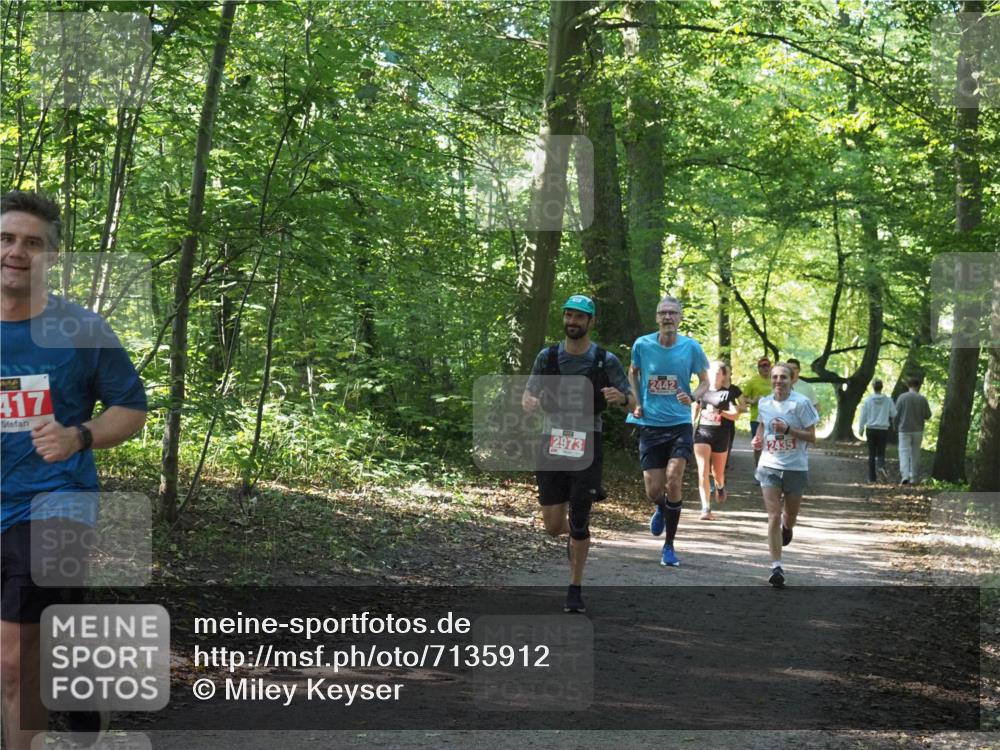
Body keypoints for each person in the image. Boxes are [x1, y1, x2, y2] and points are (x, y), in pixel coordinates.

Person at [1, 191, 148, 750]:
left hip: (56, 499)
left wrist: (78, 435)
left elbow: (130, 407)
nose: (17, 251)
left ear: (51, 256)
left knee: (15, 657)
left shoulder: (81, 329)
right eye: (7, 238)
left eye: (32, 243)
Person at [522, 294, 631, 613]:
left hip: (588, 441)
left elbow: (633, 400)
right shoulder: (548, 356)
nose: (572, 322)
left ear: (591, 322)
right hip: (551, 442)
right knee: (553, 527)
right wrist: (528, 402)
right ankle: (579, 532)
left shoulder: (605, 360)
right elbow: (529, 393)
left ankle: (574, 587)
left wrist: (620, 398)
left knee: (579, 521)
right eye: (568, 315)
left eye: (579, 317)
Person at [627, 295, 709, 567]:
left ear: (680, 317)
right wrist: (637, 403)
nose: (668, 317)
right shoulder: (643, 344)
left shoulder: (691, 347)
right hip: (650, 425)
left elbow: (705, 382)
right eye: (663, 313)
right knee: (653, 490)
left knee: (674, 478)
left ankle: (669, 546)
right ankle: (661, 508)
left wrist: (693, 396)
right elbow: (633, 373)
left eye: (673, 313)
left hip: (679, 424)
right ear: (656, 318)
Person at [751, 362, 818, 588]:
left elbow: (812, 437)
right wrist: (758, 438)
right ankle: (776, 566)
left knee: (788, 518)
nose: (778, 381)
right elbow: (763, 426)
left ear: (792, 380)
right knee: (773, 515)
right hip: (769, 465)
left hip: (795, 467)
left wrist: (789, 431)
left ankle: (787, 529)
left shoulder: (801, 404)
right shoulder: (764, 402)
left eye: (783, 377)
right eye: (775, 377)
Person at [692, 360, 742, 519]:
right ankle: (705, 508)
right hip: (702, 433)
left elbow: (735, 415)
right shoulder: (702, 391)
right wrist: (689, 427)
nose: (714, 376)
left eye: (718, 373)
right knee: (703, 470)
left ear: (723, 377)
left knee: (717, 473)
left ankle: (720, 486)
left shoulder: (727, 394)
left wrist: (720, 411)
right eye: (712, 372)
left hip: (721, 435)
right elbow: (694, 410)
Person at [895, 376, 932, 485]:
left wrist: (895, 425)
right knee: (915, 453)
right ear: (918, 386)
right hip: (918, 430)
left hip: (904, 429)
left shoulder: (902, 397)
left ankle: (905, 475)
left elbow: (896, 413)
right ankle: (914, 477)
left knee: (903, 452)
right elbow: (928, 415)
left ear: (908, 385)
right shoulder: (922, 399)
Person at [858, 379, 896, 483]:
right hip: (883, 429)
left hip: (870, 429)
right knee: (881, 452)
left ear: (873, 387)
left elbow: (863, 415)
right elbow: (894, 413)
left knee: (871, 453)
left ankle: (871, 478)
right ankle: (881, 467)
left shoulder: (868, 400)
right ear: (881, 387)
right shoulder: (888, 400)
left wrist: (861, 428)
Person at [741, 357, 772, 468]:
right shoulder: (753, 382)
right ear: (758, 369)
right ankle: (758, 469)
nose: (765, 368)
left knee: (772, 445)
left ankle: (770, 470)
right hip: (757, 419)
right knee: (758, 446)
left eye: (767, 365)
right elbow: (743, 398)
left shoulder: (775, 380)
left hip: (773, 418)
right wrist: (753, 401)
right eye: (762, 366)